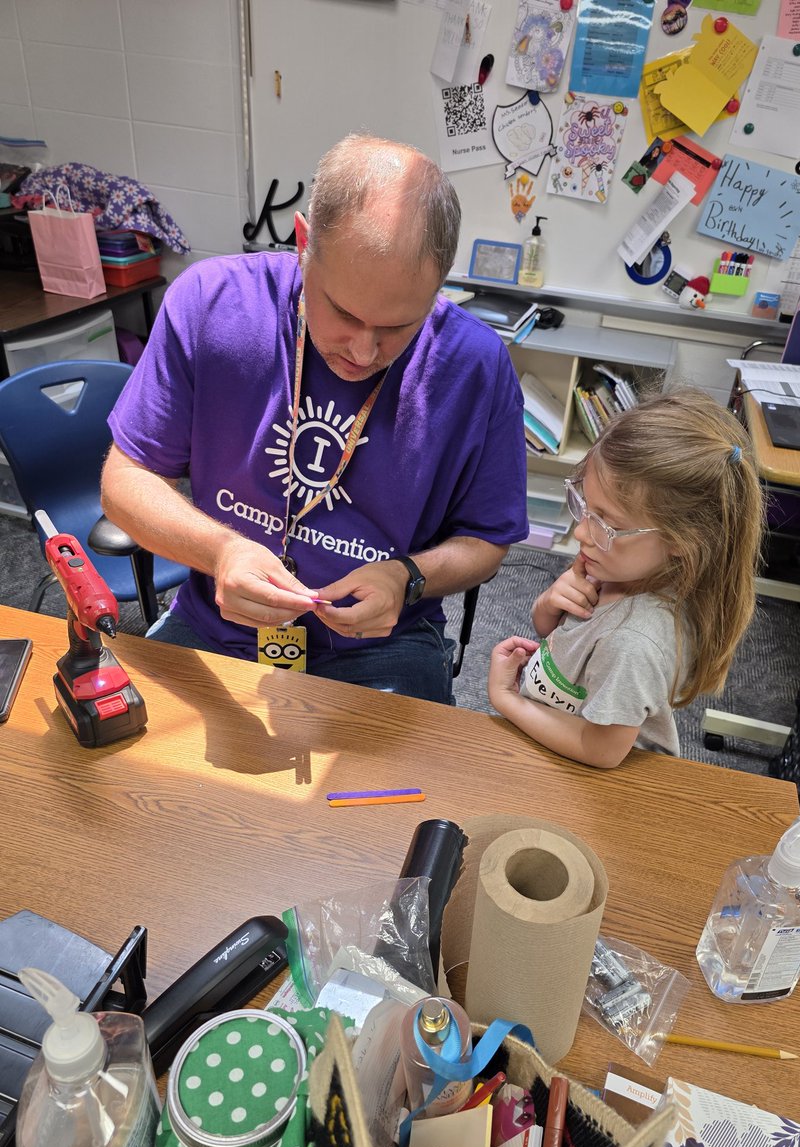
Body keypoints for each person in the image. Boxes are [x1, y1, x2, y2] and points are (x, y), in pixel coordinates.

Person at [101, 134, 529, 703]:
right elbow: (124, 482)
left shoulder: (475, 366)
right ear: (304, 243)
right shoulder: (210, 303)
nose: (362, 350)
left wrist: (408, 577)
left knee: (409, 792)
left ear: (438, 286)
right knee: (134, 775)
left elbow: (487, 539)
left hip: (385, 643)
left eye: (398, 326)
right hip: (218, 626)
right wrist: (220, 553)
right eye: (344, 313)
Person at [488, 391, 764, 767]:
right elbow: (556, 633)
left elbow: (601, 751)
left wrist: (508, 699)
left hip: (595, 783)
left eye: (605, 523)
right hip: (553, 743)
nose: (582, 533)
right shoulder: (613, 563)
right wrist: (548, 605)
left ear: (681, 541)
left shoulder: (632, 644)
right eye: (583, 505)